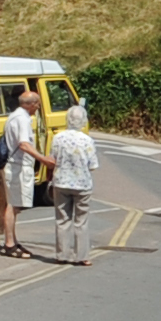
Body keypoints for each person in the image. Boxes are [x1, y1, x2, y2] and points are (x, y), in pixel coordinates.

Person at [46, 102, 99, 266]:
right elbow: (93, 166)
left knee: (62, 220)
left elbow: (52, 160)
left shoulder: (58, 138)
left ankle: (62, 254)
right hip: (82, 184)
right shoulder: (87, 140)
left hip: (61, 182)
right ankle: (81, 256)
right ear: (83, 120)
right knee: (81, 221)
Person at [0, 82, 40, 258]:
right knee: (13, 205)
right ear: (30, 105)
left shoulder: (16, 116)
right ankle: (9, 244)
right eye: (37, 104)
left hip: (15, 165)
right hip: (17, 167)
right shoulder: (22, 119)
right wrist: (43, 159)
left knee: (14, 205)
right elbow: (24, 144)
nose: (38, 107)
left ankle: (13, 241)